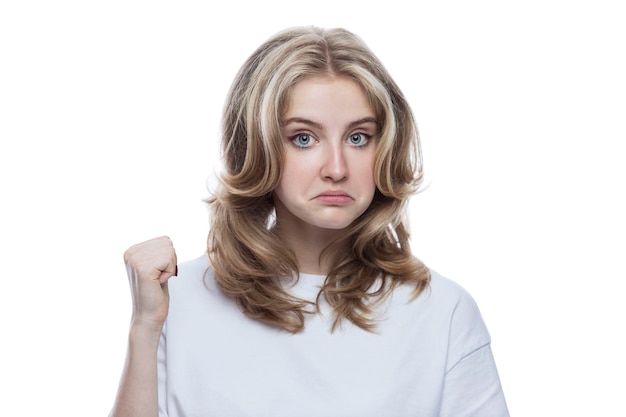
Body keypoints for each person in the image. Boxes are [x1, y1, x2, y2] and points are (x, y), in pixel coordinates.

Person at [110, 26, 509, 417]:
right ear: (258, 146)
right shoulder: (178, 302)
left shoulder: (441, 312)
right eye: (304, 138)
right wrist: (145, 326)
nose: (336, 168)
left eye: (358, 138)